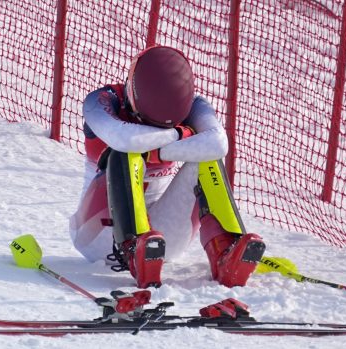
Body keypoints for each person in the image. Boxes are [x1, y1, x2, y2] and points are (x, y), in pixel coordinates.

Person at [69, 46, 265, 289]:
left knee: (206, 158)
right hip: (99, 237)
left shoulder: (196, 105)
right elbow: (126, 139)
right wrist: (179, 134)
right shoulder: (102, 101)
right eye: (148, 122)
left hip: (161, 242)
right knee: (126, 154)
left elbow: (217, 143)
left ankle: (225, 250)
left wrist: (156, 146)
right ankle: (133, 248)